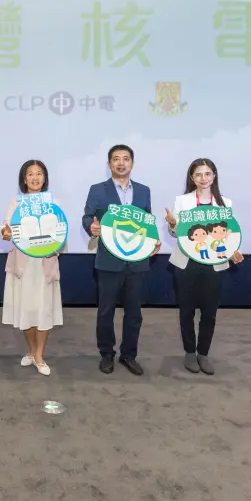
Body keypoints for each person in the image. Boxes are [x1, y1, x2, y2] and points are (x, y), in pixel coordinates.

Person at [82, 144, 160, 376]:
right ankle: (107, 353)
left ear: (132, 164)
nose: (121, 163)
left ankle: (129, 354)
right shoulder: (98, 189)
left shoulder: (144, 190)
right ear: (109, 164)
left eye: (126, 159)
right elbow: (87, 217)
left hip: (137, 261)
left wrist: (154, 241)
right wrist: (91, 227)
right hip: (108, 260)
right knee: (105, 311)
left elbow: (148, 222)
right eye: (116, 159)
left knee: (134, 312)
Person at [165, 158, 245, 375]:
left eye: (207, 174)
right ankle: (190, 352)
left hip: (215, 264)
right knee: (187, 311)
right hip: (186, 263)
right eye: (198, 174)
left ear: (214, 176)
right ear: (192, 178)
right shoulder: (182, 201)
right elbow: (176, 234)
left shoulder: (225, 203)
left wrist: (234, 251)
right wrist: (173, 224)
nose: (203, 178)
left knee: (209, 312)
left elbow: (228, 234)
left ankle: (204, 353)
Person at [0, 160, 63, 376]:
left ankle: (39, 356)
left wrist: (56, 247)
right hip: (23, 263)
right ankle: (31, 350)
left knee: (44, 310)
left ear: (45, 178)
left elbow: (60, 232)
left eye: (39, 173)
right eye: (30, 174)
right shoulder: (16, 202)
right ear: (24, 179)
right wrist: (6, 233)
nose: (35, 178)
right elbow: (7, 228)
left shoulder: (53, 202)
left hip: (44, 262)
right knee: (25, 310)